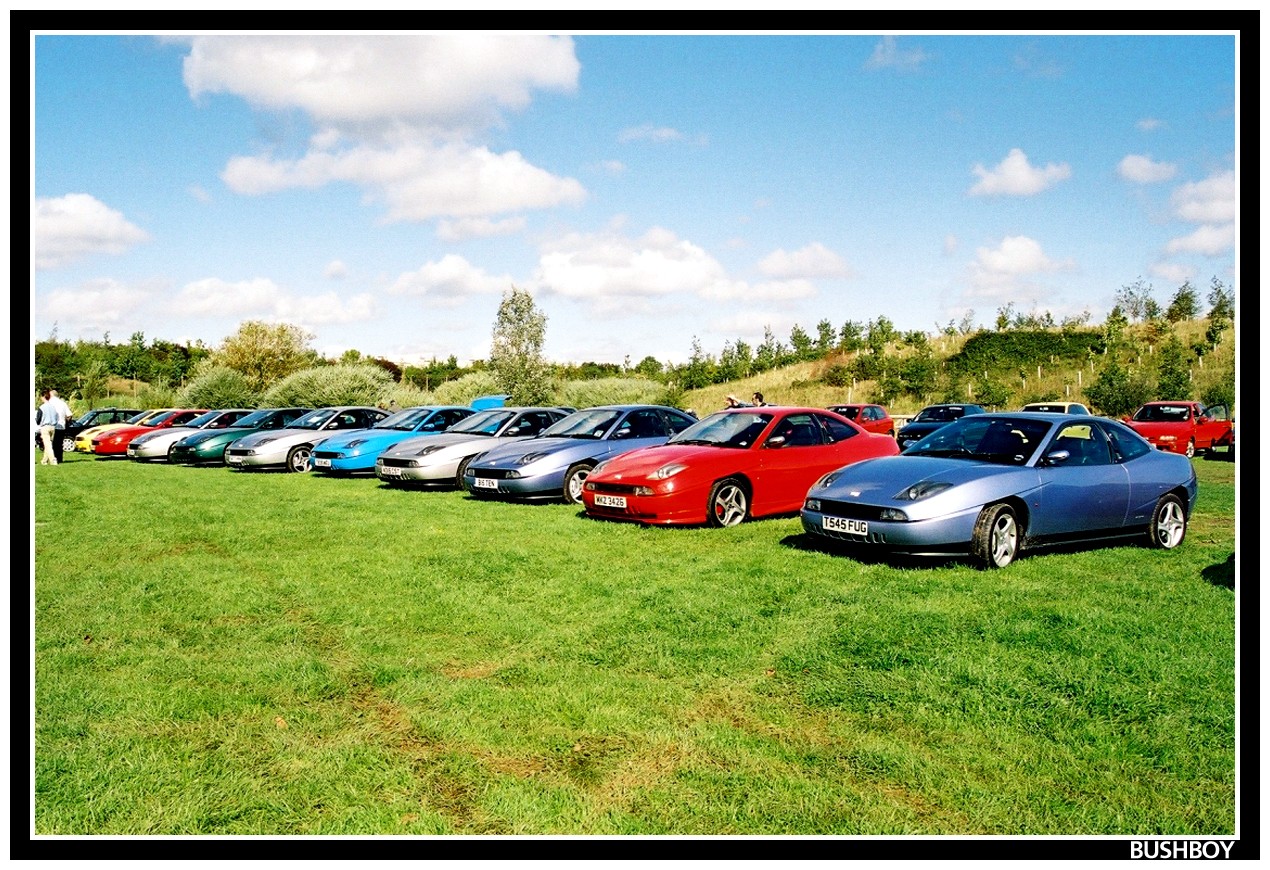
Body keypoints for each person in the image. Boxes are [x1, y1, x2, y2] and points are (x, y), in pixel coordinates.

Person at [48, 389, 73, 463]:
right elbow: (69, 415)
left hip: (52, 426)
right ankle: (59, 458)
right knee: (59, 444)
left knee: (52, 443)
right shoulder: (63, 403)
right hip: (62, 426)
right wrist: (66, 421)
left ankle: (53, 458)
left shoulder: (49, 403)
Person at [37, 390, 58, 465]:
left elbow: (38, 419)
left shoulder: (42, 407)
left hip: (45, 426)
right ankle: (44, 460)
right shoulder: (53, 407)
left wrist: (38, 422)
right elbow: (57, 416)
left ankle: (53, 460)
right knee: (48, 444)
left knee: (47, 444)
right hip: (53, 426)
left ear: (43, 397)